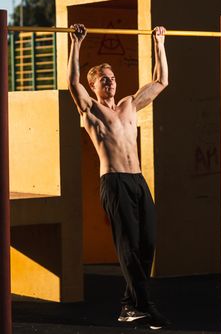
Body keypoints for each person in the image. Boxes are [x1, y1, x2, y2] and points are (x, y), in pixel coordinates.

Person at [67, 23, 169, 330]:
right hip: (114, 182)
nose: (109, 82)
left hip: (138, 180)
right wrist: (76, 43)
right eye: (102, 80)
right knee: (127, 245)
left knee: (147, 243)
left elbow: (161, 81)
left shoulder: (130, 104)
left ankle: (129, 305)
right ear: (94, 87)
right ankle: (146, 307)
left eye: (111, 78)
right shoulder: (91, 111)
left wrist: (159, 43)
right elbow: (72, 81)